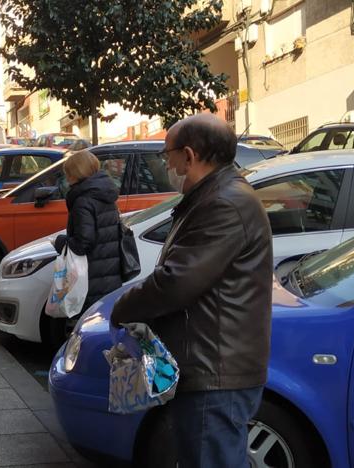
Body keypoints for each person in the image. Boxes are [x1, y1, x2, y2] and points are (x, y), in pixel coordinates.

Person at [109, 114, 273, 468]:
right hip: (209, 364)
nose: (166, 163)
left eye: (168, 154)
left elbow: (177, 281)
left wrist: (123, 308)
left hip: (214, 370)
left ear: (189, 155)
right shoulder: (213, 195)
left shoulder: (224, 202)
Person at [52, 149, 123, 314]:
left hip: (91, 276)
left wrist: (60, 242)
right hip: (109, 272)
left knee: (89, 321)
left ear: (76, 173)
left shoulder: (83, 200)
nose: (67, 178)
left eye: (68, 173)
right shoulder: (105, 194)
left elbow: (84, 242)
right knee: (104, 320)